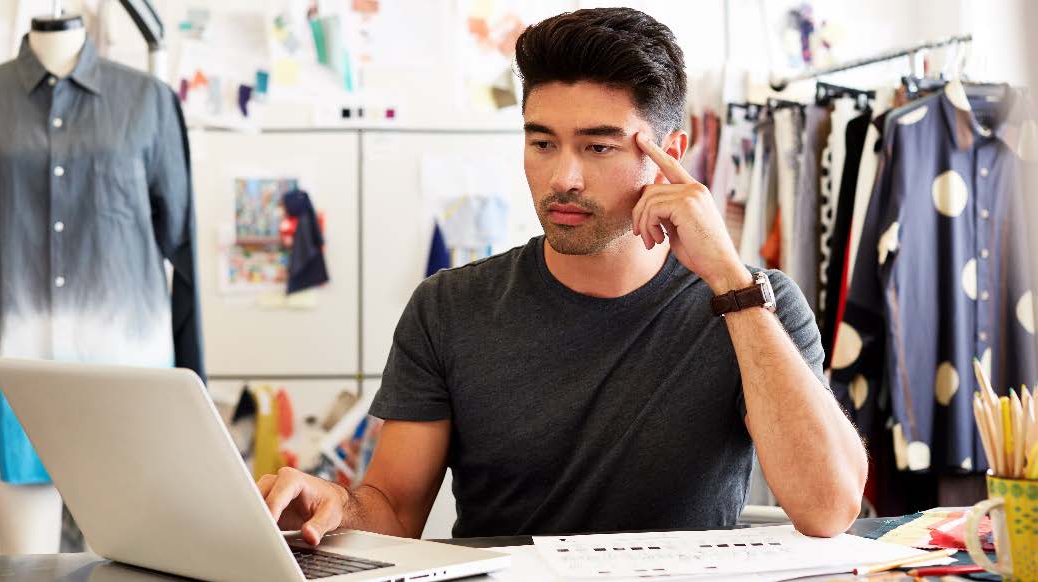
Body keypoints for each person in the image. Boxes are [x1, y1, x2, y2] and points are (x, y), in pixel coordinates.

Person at [258, 7, 867, 543]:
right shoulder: (449, 307)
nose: (563, 178)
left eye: (598, 147)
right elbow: (393, 511)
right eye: (543, 143)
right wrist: (338, 506)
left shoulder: (753, 302)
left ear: (669, 153)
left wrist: (731, 285)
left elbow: (829, 509)